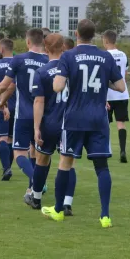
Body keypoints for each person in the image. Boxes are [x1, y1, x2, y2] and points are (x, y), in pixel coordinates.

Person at [41, 19, 126, 228]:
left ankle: (59, 210)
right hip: (98, 118)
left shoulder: (68, 56)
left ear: (76, 34)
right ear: (94, 35)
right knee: (101, 167)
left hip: (74, 119)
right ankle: (105, 215)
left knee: (65, 162)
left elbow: (58, 86)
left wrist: (66, 79)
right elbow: (121, 86)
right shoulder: (105, 56)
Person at [0, 28, 49, 200]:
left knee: (19, 153)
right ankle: (33, 189)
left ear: (27, 41)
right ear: (43, 42)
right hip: (44, 115)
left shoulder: (19, 59)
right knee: (38, 153)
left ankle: (36, 182)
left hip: (24, 114)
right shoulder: (48, 61)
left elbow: (6, 85)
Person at [29, 33, 77, 216]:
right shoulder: (72, 69)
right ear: (63, 48)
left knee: (42, 159)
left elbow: (39, 102)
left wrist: (36, 127)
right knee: (68, 163)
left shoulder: (41, 72)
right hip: (71, 123)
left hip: (50, 123)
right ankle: (67, 203)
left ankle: (36, 197)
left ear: (45, 49)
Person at [103, 30, 130, 163]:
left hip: (108, 94)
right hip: (122, 94)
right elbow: (125, 74)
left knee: (105, 124)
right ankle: (123, 150)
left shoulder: (104, 55)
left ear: (106, 41)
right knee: (121, 123)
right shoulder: (124, 55)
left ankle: (107, 150)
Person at [0, 38, 16, 181]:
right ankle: (9, 166)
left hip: (1, 105)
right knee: (11, 139)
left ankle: (6, 168)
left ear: (1, 49)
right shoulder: (19, 63)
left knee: (1, 137)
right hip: (17, 105)